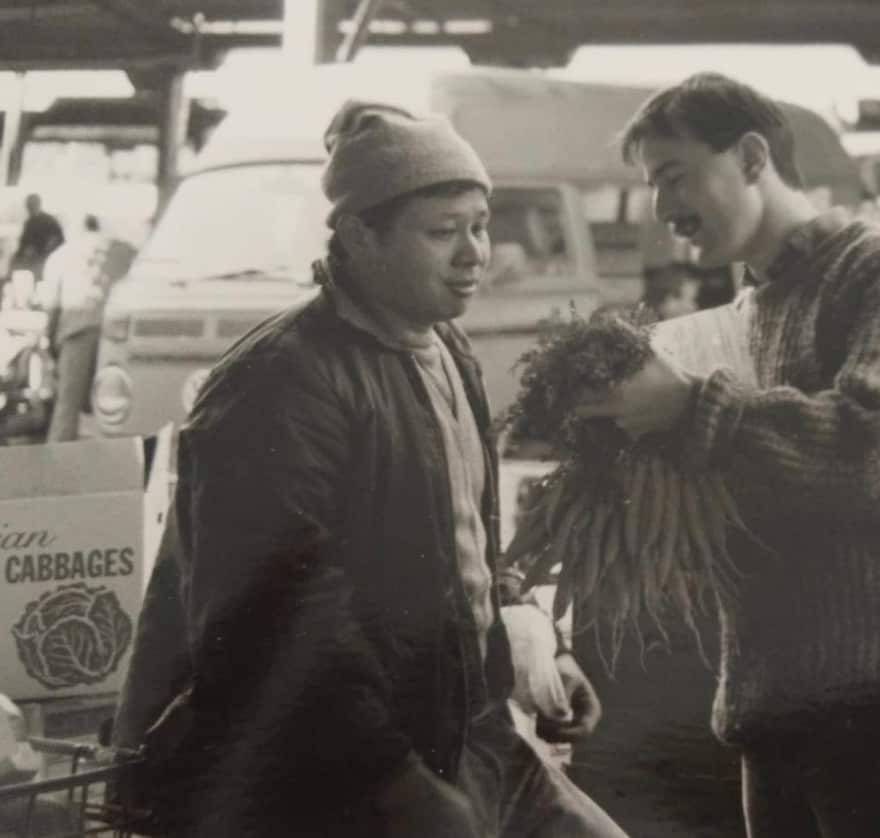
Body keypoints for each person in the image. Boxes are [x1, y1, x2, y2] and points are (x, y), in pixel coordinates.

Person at [112, 102, 626, 838]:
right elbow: (276, 623)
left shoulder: (449, 351)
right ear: (359, 235)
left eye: (480, 225)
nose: (475, 252)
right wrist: (391, 785)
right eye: (442, 232)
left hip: (469, 739)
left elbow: (466, 548)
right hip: (331, 776)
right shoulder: (279, 383)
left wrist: (533, 648)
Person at [578, 73, 880, 837]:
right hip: (783, 707)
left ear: (753, 157)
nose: (662, 209)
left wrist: (691, 408)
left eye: (674, 176)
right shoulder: (755, 310)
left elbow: (877, 458)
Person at [41, 214, 109, 441]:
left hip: (77, 328)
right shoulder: (117, 250)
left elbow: (51, 305)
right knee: (111, 405)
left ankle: (56, 468)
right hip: (116, 331)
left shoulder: (62, 255)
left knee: (67, 406)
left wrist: (49, 340)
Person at [11, 194, 64, 281]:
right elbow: (23, 244)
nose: (29, 208)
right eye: (28, 206)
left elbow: (59, 240)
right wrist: (17, 257)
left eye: (31, 205)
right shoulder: (28, 223)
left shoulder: (49, 220)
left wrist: (45, 250)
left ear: (38, 204)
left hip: (45, 261)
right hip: (30, 263)